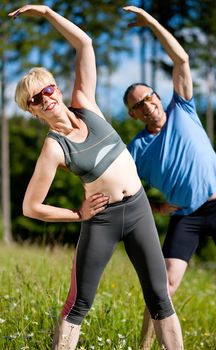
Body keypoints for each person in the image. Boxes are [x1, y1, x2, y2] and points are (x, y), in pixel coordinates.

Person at [9, 5, 184, 350]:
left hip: (138, 211)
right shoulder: (53, 149)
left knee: (160, 298)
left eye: (48, 90)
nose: (45, 99)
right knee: (78, 304)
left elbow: (85, 44)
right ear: (31, 110)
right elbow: (31, 207)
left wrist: (46, 12)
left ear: (56, 90)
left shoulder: (84, 102)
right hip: (101, 221)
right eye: (35, 99)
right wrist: (77, 215)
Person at [123, 5, 216, 350]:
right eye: (138, 105)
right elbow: (121, 187)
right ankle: (143, 346)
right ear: (133, 114)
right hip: (186, 216)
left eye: (149, 97)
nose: (147, 105)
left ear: (157, 96)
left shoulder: (182, 108)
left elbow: (182, 59)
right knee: (163, 287)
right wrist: (156, 207)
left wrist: (152, 23)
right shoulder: (137, 149)